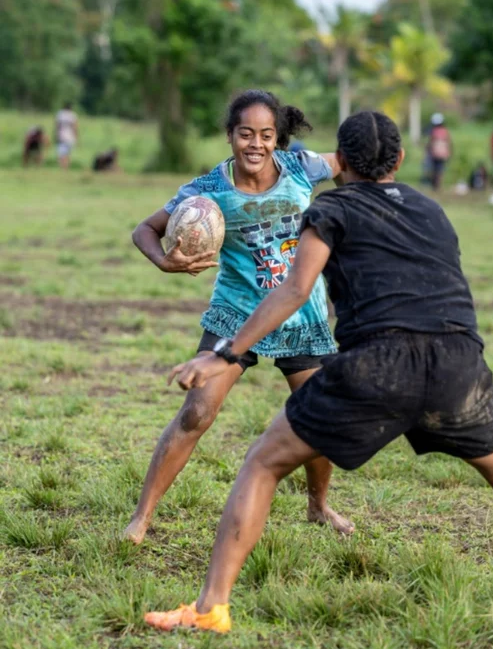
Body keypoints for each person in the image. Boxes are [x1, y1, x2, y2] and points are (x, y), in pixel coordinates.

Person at [144, 111, 493, 634]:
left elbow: (294, 289)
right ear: (398, 160)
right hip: (458, 366)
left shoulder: (331, 210)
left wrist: (226, 354)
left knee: (261, 464)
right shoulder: (431, 209)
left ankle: (212, 608)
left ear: (342, 162)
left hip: (379, 367)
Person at [123, 89, 353, 546]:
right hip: (236, 316)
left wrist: (356, 211)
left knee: (318, 417)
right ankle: (141, 517)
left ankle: (318, 506)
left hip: (301, 314)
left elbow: (349, 160)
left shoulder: (301, 167)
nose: (256, 144)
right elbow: (143, 230)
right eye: (245, 133)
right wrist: (164, 260)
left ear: (278, 139)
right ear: (230, 135)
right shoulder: (209, 190)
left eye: (267, 135)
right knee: (196, 412)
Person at [427, 113, 452, 192]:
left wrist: (428, 149)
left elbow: (431, 142)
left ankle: (435, 186)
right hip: (442, 154)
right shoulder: (445, 131)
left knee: (435, 169)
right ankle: (437, 185)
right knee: (440, 170)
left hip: (435, 153)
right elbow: (449, 142)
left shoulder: (433, 131)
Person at [55, 102, 78, 169]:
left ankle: (62, 167)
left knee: (61, 153)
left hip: (61, 136)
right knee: (68, 153)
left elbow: (57, 126)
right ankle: (66, 167)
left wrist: (56, 135)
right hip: (70, 137)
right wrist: (76, 137)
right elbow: (75, 127)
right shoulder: (73, 115)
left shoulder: (60, 114)